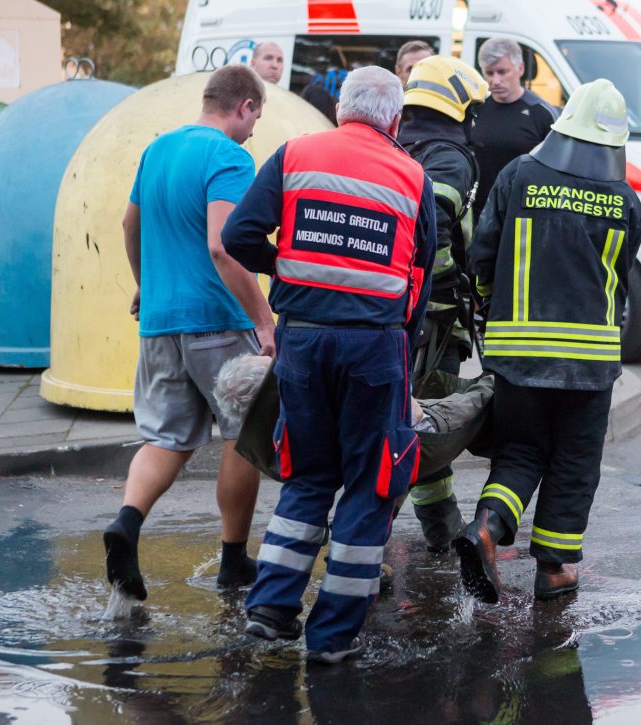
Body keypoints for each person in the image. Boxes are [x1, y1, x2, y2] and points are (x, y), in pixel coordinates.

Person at [221, 66, 437, 663]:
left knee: (309, 474)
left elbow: (238, 236)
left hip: (304, 342)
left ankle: (269, 608)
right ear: (394, 120)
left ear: (342, 110)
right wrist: (405, 351)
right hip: (374, 346)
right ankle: (333, 637)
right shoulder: (413, 177)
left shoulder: (294, 155)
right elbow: (420, 275)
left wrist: (285, 268)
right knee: (371, 483)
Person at [455, 79, 641, 603]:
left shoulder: (518, 176)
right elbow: (620, 276)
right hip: (590, 362)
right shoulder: (625, 200)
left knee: (519, 453)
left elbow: (482, 256)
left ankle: (487, 529)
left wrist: (495, 308)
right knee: (575, 461)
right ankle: (555, 569)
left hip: (517, 354)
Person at [103, 65, 274, 602]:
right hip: (217, 318)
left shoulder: (158, 149)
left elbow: (131, 226)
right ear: (243, 106)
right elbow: (223, 246)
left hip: (160, 321)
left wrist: (146, 285)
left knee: (165, 438)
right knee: (242, 435)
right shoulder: (228, 156)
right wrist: (264, 320)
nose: (253, 131)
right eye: (255, 119)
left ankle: (127, 525)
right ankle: (232, 560)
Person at [397, 55, 487, 551]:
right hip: (430, 319)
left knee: (410, 417)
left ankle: (440, 528)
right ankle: (372, 537)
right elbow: (432, 220)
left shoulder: (398, 142)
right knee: (424, 421)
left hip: (393, 310)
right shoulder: (448, 156)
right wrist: (448, 281)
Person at [470, 37, 559, 220]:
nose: (495, 80)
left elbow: (556, 172)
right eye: (489, 73)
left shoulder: (542, 114)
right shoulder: (475, 109)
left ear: (520, 69)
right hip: (481, 213)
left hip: (524, 214)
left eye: (502, 72)